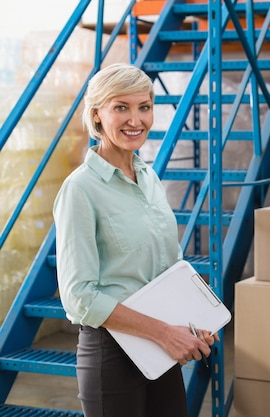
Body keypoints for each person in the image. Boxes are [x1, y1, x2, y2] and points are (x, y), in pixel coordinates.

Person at [53, 63, 218, 417]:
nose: (136, 120)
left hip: (160, 345)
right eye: (121, 107)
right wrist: (163, 333)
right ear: (97, 115)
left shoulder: (148, 176)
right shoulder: (80, 189)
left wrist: (194, 322)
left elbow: (167, 268)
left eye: (144, 107)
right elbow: (79, 296)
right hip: (111, 353)